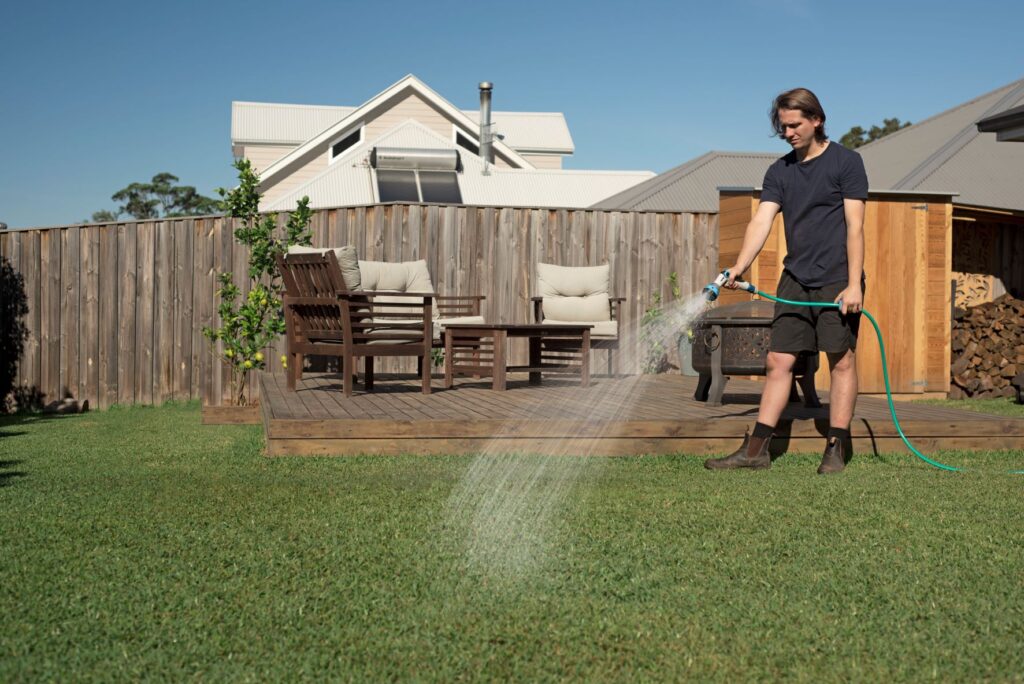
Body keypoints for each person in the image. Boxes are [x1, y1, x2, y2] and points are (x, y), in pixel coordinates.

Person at [704, 87, 868, 474]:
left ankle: (836, 448)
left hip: (836, 280)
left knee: (840, 361)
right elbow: (761, 220)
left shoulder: (847, 162)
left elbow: (855, 226)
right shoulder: (780, 171)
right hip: (795, 279)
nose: (789, 133)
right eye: (783, 127)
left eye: (795, 125)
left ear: (817, 120)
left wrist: (854, 284)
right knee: (779, 360)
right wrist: (739, 266)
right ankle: (757, 450)